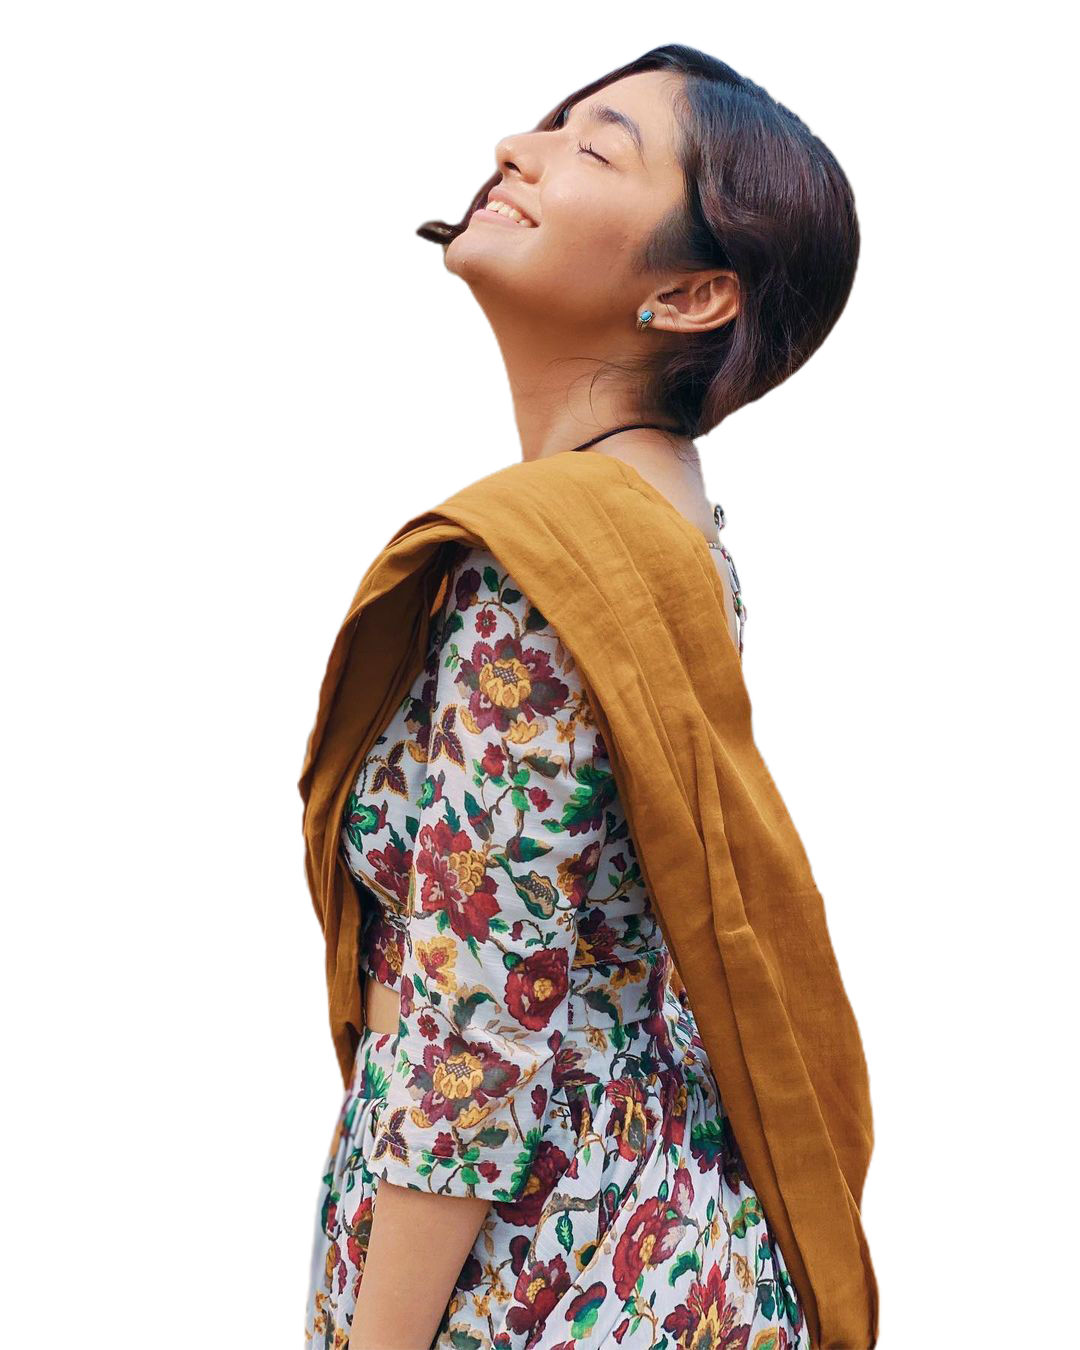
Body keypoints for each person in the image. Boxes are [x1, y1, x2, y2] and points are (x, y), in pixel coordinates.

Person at [301, 44, 876, 1350]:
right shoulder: (670, 522)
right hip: (669, 1235)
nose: (519, 148)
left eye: (594, 146)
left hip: (534, 1279)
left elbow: (472, 1034)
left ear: (688, 294)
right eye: (550, 126)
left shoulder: (540, 565)